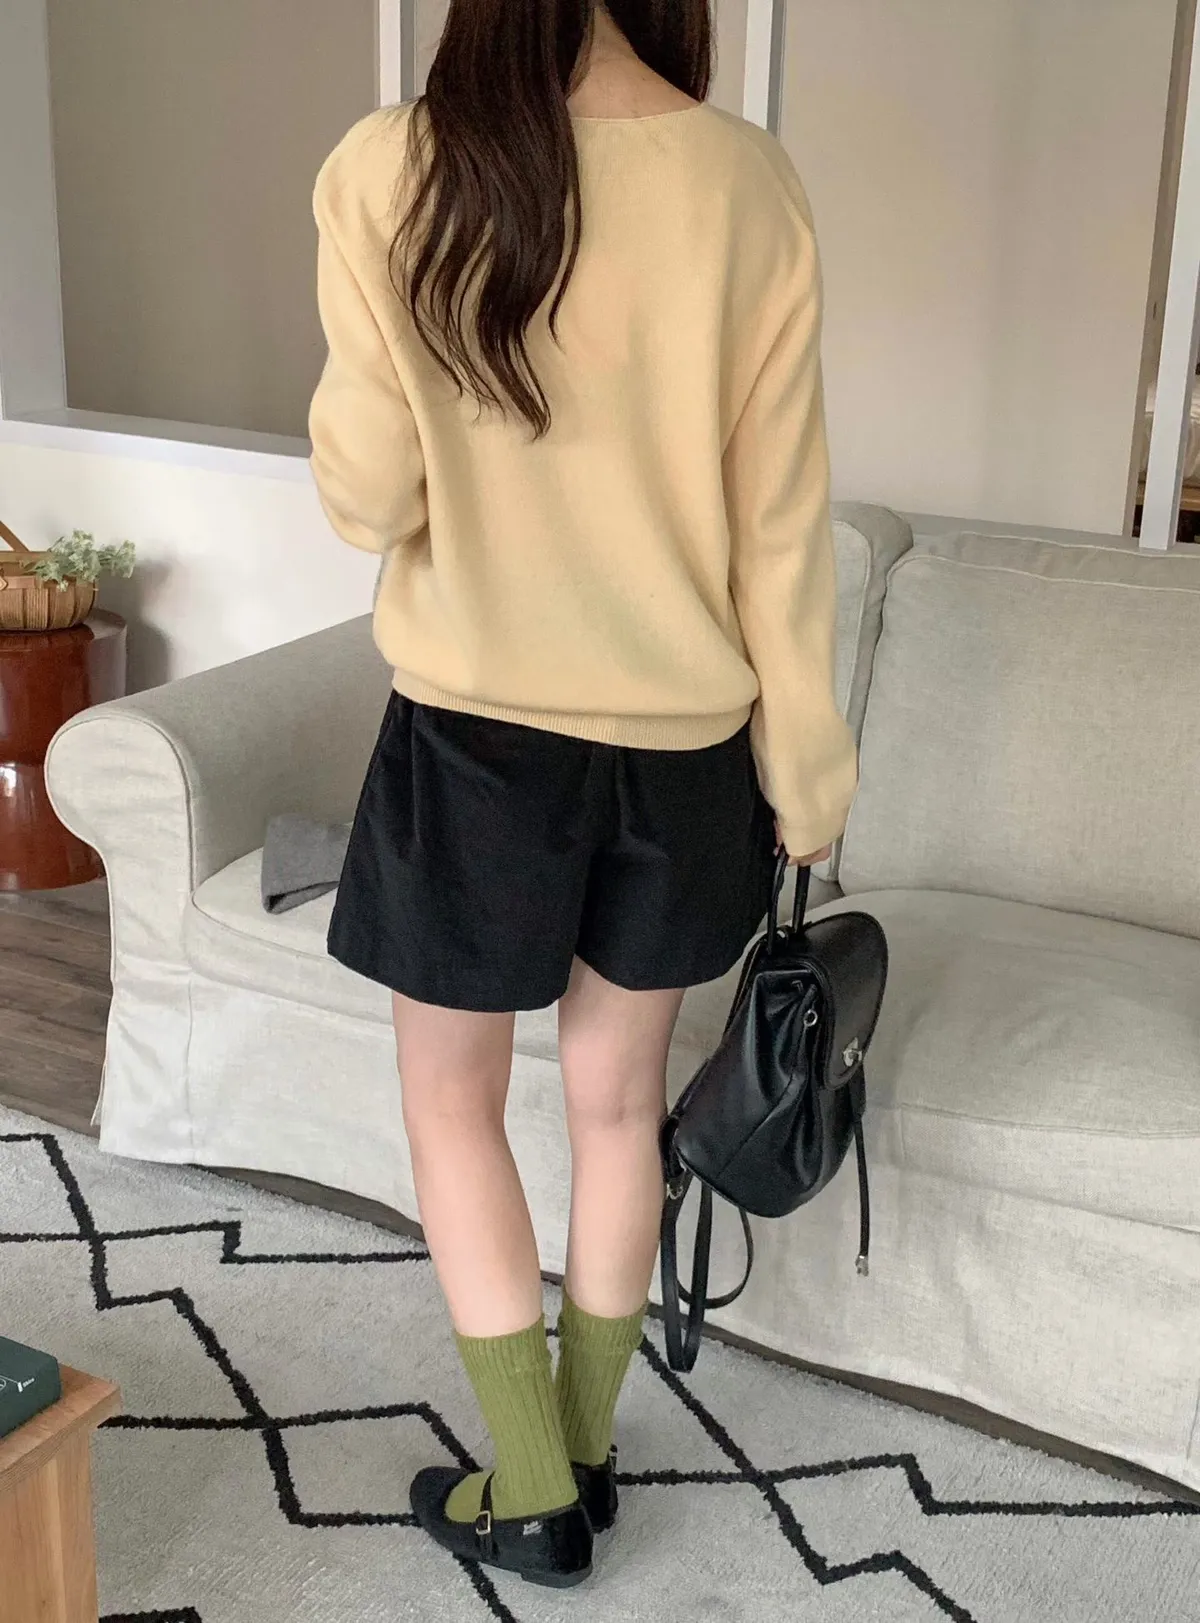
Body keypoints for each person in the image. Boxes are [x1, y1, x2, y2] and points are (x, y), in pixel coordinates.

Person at [308, 0, 857, 1590]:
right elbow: (782, 528)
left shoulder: (392, 169)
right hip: (687, 753)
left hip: (478, 737)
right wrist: (808, 772)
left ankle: (530, 1490)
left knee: (452, 1103)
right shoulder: (748, 182)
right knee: (617, 1104)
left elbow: (366, 495)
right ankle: (589, 1454)